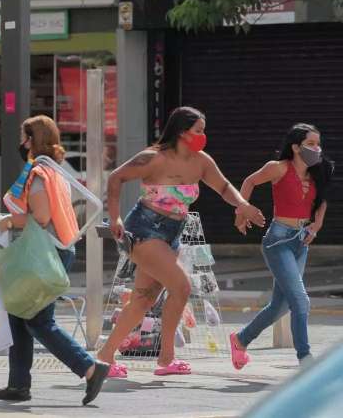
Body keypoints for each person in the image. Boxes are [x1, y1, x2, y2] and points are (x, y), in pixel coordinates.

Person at [97, 106, 266, 377]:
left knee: (143, 299)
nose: (203, 136)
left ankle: (105, 357)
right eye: (198, 130)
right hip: (145, 228)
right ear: (181, 131)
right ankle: (166, 357)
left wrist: (243, 205)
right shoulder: (154, 158)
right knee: (182, 286)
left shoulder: (201, 161)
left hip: (172, 232)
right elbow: (116, 178)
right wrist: (115, 218)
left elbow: (223, 187)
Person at [0, 115, 109, 405]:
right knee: (19, 315)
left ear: (33, 140)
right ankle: (18, 385)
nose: (20, 143)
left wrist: (7, 221)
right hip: (55, 249)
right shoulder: (55, 170)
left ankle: (90, 368)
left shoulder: (40, 173)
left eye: (24, 137)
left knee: (38, 321)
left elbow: (40, 217)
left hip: (46, 252)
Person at [230, 123, 333, 368]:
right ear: (296, 147)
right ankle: (305, 359)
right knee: (301, 301)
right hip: (278, 241)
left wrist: (316, 226)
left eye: (318, 144)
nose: (317, 149)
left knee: (281, 304)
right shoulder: (278, 168)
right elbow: (249, 181)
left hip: (301, 241)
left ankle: (241, 339)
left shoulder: (318, 171)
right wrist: (242, 211)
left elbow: (321, 203)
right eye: (311, 144)